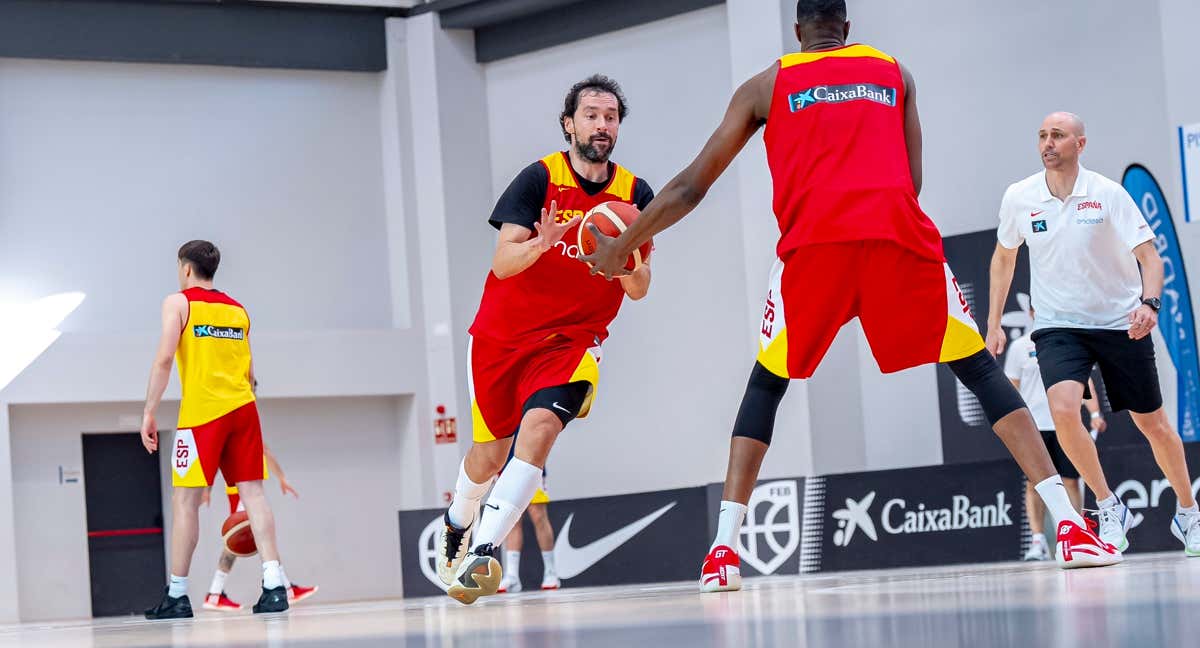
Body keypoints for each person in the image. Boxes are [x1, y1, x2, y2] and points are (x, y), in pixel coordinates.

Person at [580, 0, 1119, 590]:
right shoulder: (894, 72)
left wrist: (620, 246)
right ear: (847, 29)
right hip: (898, 242)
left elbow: (690, 186)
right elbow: (913, 180)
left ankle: (723, 553)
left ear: (796, 31)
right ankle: (1069, 527)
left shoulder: (766, 85)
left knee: (767, 383)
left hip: (815, 252)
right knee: (981, 372)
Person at [435, 75, 655, 605]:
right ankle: (458, 517)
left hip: (571, 344)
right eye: (592, 115)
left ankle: (485, 553)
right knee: (488, 455)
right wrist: (543, 243)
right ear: (569, 124)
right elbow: (502, 262)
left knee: (538, 428)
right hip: (501, 338)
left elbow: (642, 287)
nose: (602, 125)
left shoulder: (636, 195)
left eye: (611, 117)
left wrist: (620, 258)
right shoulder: (538, 179)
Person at [987, 111, 1200, 556]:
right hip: (1058, 326)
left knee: (1154, 425)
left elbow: (1150, 258)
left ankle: (1188, 512)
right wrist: (992, 323)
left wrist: (1150, 303)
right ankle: (1107, 506)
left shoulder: (1108, 194)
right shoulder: (1019, 197)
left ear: (1080, 144)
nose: (1048, 143)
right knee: (1063, 409)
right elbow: (1004, 259)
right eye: (1042, 135)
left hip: (1120, 322)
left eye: (1058, 135)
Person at [140, 240, 291, 619]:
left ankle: (177, 594)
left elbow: (163, 361)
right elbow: (251, 374)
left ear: (185, 268)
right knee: (254, 494)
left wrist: (149, 412)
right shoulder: (238, 310)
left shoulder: (178, 303)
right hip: (243, 409)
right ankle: (274, 586)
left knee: (186, 501)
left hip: (202, 414)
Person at [1004, 311, 1106, 561]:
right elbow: (1011, 388)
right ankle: (1038, 541)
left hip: (1065, 424)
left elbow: (1083, 382)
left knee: (1071, 480)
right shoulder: (1019, 347)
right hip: (1033, 428)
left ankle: (1080, 533)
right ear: (1030, 313)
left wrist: (1094, 413)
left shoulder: (1066, 342)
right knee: (1034, 484)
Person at [202, 443, 319, 611]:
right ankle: (215, 593)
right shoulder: (245, 432)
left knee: (259, 539)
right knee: (255, 538)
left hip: (242, 489)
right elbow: (264, 451)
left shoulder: (238, 434)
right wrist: (282, 478)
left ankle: (216, 593)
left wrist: (208, 489)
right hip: (244, 490)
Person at [497, 442, 560, 594]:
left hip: (533, 466)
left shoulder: (528, 416)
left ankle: (551, 573)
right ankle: (512, 576)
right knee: (512, 520)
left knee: (538, 515)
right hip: (506, 470)